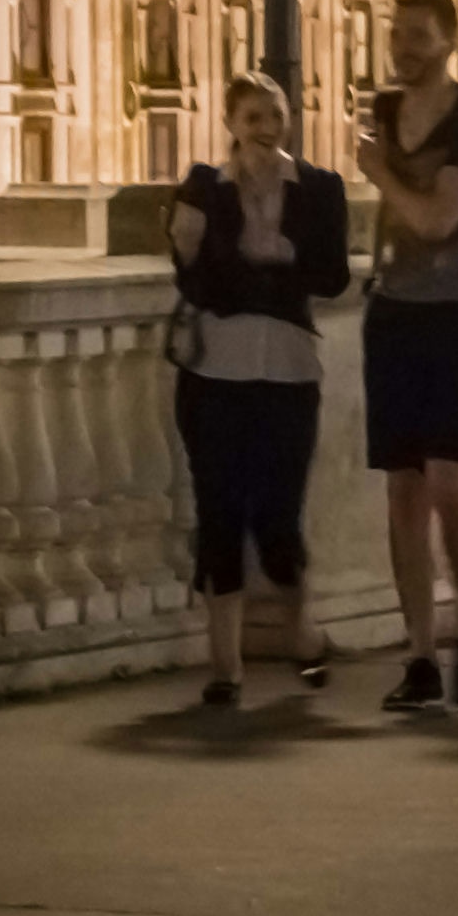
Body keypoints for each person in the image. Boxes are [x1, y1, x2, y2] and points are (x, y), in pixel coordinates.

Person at [358, 0, 458, 713]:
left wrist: (379, 173)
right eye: (397, 34)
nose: (403, 48)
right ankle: (420, 654)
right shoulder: (386, 110)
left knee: (450, 480)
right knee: (403, 488)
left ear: (450, 43)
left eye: (419, 36)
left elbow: (435, 219)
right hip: (396, 311)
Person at [168, 72, 350, 706]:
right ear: (231, 124)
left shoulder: (320, 189)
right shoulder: (204, 186)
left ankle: (301, 633)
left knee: (278, 518)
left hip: (289, 372)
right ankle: (226, 668)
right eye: (253, 117)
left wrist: (265, 262)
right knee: (218, 514)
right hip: (213, 373)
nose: (267, 128)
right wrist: (262, 265)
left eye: (275, 114)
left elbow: (332, 275)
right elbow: (195, 280)